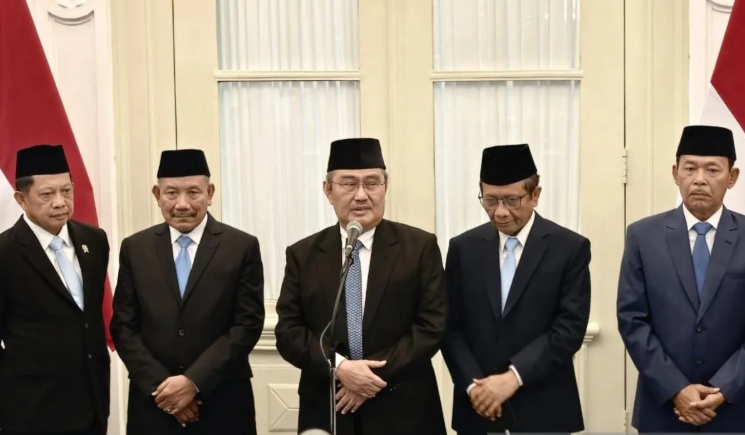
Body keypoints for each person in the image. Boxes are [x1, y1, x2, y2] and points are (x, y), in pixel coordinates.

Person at [274, 138, 448, 435]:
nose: (361, 195)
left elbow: (432, 326)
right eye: (348, 184)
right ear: (328, 190)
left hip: (403, 406)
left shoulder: (419, 247)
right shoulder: (303, 254)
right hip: (330, 405)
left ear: (385, 187)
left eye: (372, 183)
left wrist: (368, 378)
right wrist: (341, 367)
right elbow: (289, 332)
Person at [110, 149, 265, 435]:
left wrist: (193, 382)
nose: (182, 204)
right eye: (171, 193)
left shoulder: (240, 247)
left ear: (210, 193)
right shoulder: (135, 248)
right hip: (154, 405)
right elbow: (123, 327)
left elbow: (247, 324)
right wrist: (165, 390)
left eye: (193, 192)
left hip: (223, 403)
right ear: (157, 194)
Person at [441, 144, 591, 434]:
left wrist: (513, 377)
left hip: (544, 408)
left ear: (535, 195)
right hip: (478, 408)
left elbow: (568, 329)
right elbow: (449, 326)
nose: (500, 212)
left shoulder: (569, 248)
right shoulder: (463, 248)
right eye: (490, 201)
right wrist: (474, 386)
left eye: (512, 200)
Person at [618, 125, 745, 432]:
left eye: (712, 169)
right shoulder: (643, 236)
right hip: (663, 409)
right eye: (690, 168)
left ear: (732, 177)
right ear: (675, 173)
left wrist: (726, 388)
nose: (699, 179)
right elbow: (632, 320)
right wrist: (676, 388)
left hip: (735, 409)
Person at [0, 144, 110, 435]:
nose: (60, 202)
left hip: (92, 406)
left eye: (66, 191)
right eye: (47, 195)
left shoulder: (94, 240)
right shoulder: (5, 252)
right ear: (21, 199)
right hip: (31, 411)